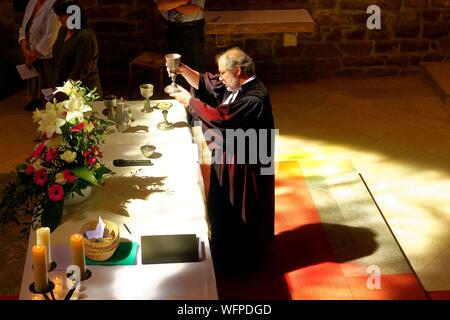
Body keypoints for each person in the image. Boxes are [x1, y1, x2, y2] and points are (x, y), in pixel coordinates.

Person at [170, 47, 275, 273]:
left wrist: (191, 102)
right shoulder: (237, 84)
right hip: (230, 157)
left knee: (237, 210)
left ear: (237, 70)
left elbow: (222, 118)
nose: (220, 78)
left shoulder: (255, 97)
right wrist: (181, 69)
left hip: (247, 166)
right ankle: (223, 249)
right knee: (220, 207)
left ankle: (241, 260)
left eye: (223, 73)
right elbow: (209, 84)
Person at [51, 0, 103, 97]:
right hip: (64, 91)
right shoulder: (63, 30)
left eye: (61, 15)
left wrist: (62, 92)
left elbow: (80, 70)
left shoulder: (85, 36)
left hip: (83, 94)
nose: (58, 19)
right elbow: (58, 60)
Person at [18, 0, 61, 111]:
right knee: (34, 80)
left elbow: (51, 35)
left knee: (47, 82)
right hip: (30, 50)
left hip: (47, 53)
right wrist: (24, 49)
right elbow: (23, 27)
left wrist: (32, 56)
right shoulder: (32, 2)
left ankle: (50, 103)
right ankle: (35, 99)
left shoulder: (54, 4)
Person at [155, 0, 205, 72]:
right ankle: (176, 82)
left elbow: (194, 8)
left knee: (195, 63)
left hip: (193, 28)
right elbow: (161, 5)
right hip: (173, 28)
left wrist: (171, 5)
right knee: (174, 63)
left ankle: (196, 83)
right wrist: (183, 2)